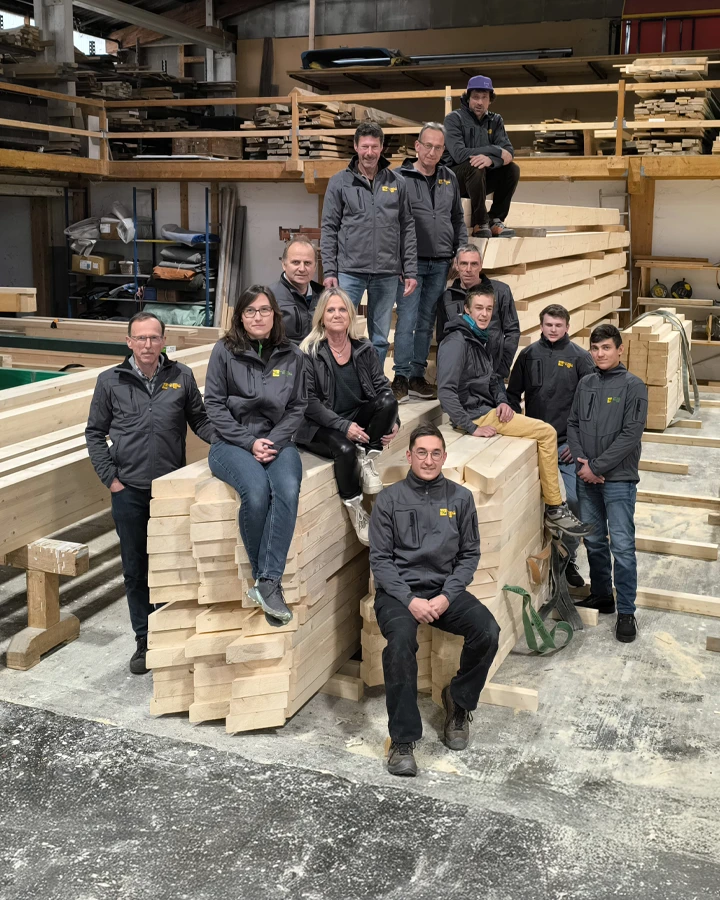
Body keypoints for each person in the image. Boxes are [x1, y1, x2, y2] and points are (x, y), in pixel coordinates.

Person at [85, 311, 215, 674]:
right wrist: (110, 478)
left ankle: (170, 633)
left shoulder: (181, 376)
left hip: (169, 491)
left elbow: (200, 421)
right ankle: (144, 640)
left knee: (172, 563)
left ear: (163, 340)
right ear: (129, 341)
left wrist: (230, 441)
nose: (147, 344)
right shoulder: (110, 381)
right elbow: (94, 432)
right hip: (128, 490)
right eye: (140, 338)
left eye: (154, 337)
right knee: (135, 568)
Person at [369, 423, 500, 777]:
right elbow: (380, 560)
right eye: (422, 453)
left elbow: (469, 555)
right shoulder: (389, 500)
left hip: (444, 591)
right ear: (409, 456)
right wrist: (409, 599)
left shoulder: (460, 499)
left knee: (488, 631)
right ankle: (403, 741)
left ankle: (458, 701)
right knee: (399, 646)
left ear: (444, 457)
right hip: (399, 595)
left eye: (435, 453)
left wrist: (446, 596)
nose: (428, 460)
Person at [436, 283, 591, 540]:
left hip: (489, 408)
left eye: (489, 309)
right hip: (477, 414)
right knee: (546, 432)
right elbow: (446, 392)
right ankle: (555, 508)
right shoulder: (456, 342)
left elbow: (494, 379)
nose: (484, 314)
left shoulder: (478, 337)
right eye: (479, 308)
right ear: (466, 309)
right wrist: (471, 426)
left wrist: (502, 402)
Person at [203, 285, 307, 627]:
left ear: (275, 314)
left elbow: (297, 407)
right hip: (230, 442)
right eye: (250, 311)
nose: (258, 317)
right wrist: (249, 442)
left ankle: (266, 582)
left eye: (264, 310)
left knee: (287, 489)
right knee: (257, 492)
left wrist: (271, 441)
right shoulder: (224, 351)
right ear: (240, 317)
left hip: (278, 441)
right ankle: (268, 582)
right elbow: (214, 405)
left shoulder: (292, 354)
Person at [298, 288, 400, 545]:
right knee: (345, 449)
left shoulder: (363, 348)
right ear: (322, 317)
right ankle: (356, 510)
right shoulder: (309, 351)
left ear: (351, 315)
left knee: (389, 401)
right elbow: (309, 403)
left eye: (342, 309)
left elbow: (382, 387)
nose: (337, 314)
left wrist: (393, 421)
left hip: (355, 416)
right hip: (319, 423)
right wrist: (343, 426)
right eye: (331, 310)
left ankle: (367, 459)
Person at [566, 323, 648, 644]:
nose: (600, 354)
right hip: (587, 477)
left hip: (618, 480)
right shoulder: (585, 383)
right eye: (595, 348)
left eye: (606, 348)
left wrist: (597, 467)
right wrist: (583, 464)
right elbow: (573, 424)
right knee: (594, 541)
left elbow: (631, 434)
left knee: (622, 546)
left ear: (620, 349)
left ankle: (626, 611)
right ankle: (602, 595)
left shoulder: (634, 386)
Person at [506, 304, 595, 588]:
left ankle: (567, 560)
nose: (553, 329)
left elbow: (591, 407)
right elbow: (512, 395)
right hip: (533, 445)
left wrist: (579, 445)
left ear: (567, 327)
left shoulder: (581, 358)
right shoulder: (528, 355)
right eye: (548, 325)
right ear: (541, 326)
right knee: (531, 505)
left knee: (574, 502)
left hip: (567, 447)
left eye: (558, 325)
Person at [320, 122, 418, 366]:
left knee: (380, 337)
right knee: (340, 330)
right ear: (355, 147)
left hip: (387, 272)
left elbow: (407, 228)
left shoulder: (397, 183)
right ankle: (342, 379)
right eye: (364, 146)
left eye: (374, 146)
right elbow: (329, 228)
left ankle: (374, 380)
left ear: (382, 148)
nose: (369, 152)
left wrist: (410, 269)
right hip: (349, 271)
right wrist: (329, 270)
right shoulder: (339, 182)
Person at [390, 123, 467, 404]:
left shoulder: (449, 178)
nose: (432, 152)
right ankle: (400, 377)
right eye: (428, 146)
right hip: (410, 264)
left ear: (443, 150)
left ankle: (417, 377)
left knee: (426, 323)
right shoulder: (399, 177)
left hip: (441, 263)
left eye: (438, 147)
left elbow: (457, 219)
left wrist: (460, 251)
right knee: (407, 320)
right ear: (417, 146)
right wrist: (399, 260)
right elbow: (391, 222)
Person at [442, 75, 520, 239]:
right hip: (454, 180)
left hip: (480, 179)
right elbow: (459, 154)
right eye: (475, 97)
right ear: (468, 98)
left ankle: (495, 219)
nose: (479, 102)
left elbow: (508, 153)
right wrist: (494, 150)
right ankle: (480, 222)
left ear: (490, 100)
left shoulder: (495, 120)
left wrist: (491, 160)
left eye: (484, 97)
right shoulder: (453, 119)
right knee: (476, 165)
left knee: (512, 170)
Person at [439, 243, 520, 378]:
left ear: (481, 265)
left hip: (493, 374)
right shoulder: (447, 298)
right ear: (456, 266)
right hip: (461, 377)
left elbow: (512, 331)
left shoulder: (501, 291)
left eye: (474, 264)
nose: (468, 269)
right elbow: (443, 339)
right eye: (464, 264)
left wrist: (502, 368)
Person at [269, 236, 323, 345]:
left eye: (307, 263)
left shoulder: (324, 296)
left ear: (315, 266)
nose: (302, 269)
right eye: (296, 262)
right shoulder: (269, 297)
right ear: (284, 264)